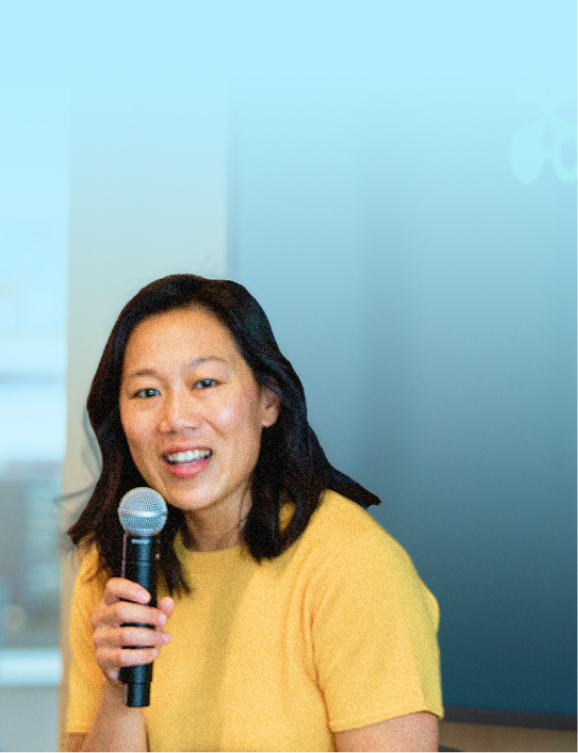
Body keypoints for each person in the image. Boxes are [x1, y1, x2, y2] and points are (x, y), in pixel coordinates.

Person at [64, 274, 443, 752]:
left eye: (205, 382)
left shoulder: (354, 564)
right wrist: (119, 692)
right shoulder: (114, 570)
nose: (175, 419)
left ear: (268, 400)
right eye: (146, 393)